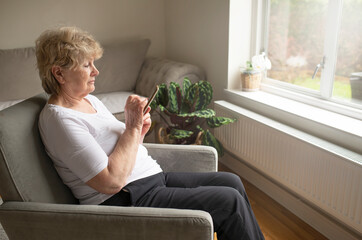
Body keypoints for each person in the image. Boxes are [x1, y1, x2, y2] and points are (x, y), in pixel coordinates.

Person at [36, 26, 264, 240]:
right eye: (86, 65)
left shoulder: (90, 100)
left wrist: (138, 130)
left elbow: (123, 150)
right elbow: (110, 182)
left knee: (231, 181)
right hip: (123, 200)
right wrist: (132, 127)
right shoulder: (60, 120)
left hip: (148, 182)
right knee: (228, 202)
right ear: (59, 73)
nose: (96, 71)